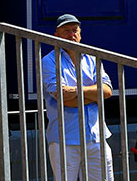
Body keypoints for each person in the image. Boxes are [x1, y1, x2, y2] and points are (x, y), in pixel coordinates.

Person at [41, 14, 114, 181]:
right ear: (56, 35)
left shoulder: (92, 58)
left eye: (75, 30)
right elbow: (63, 97)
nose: (71, 34)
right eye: (66, 30)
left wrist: (76, 91)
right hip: (65, 139)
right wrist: (93, 95)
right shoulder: (49, 61)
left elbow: (107, 91)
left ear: (80, 34)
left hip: (96, 136)